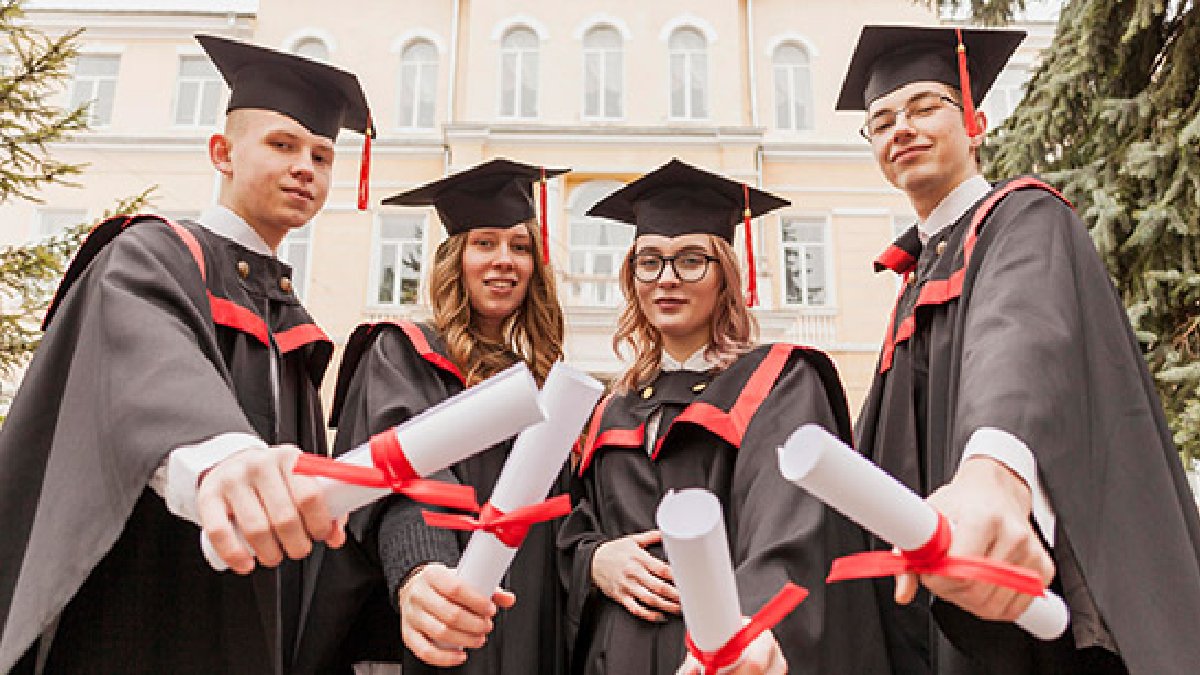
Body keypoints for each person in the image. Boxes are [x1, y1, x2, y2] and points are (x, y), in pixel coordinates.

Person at [0, 34, 375, 674]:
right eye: (282, 145)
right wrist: (219, 456)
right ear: (222, 153)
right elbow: (142, 365)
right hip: (145, 618)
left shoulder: (288, 314)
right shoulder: (154, 253)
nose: (306, 166)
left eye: (322, 154)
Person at [841, 25, 1200, 675]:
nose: (903, 129)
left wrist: (992, 475)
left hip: (1040, 613)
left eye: (925, 107)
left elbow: (1021, 339)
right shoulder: (912, 279)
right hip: (948, 615)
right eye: (883, 120)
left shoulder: (1021, 218)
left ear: (975, 122)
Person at [556, 159, 893, 675]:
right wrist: (596, 560)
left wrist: (746, 634)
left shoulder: (777, 382)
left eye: (691, 260)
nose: (667, 279)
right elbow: (572, 530)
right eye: (650, 261)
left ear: (725, 277)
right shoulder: (613, 408)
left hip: (729, 654)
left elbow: (790, 531)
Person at [326, 158, 569, 674]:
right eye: (484, 243)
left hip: (530, 636)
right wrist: (424, 567)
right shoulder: (402, 354)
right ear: (455, 258)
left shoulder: (545, 386)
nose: (505, 260)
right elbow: (405, 477)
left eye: (520, 247)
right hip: (439, 620)